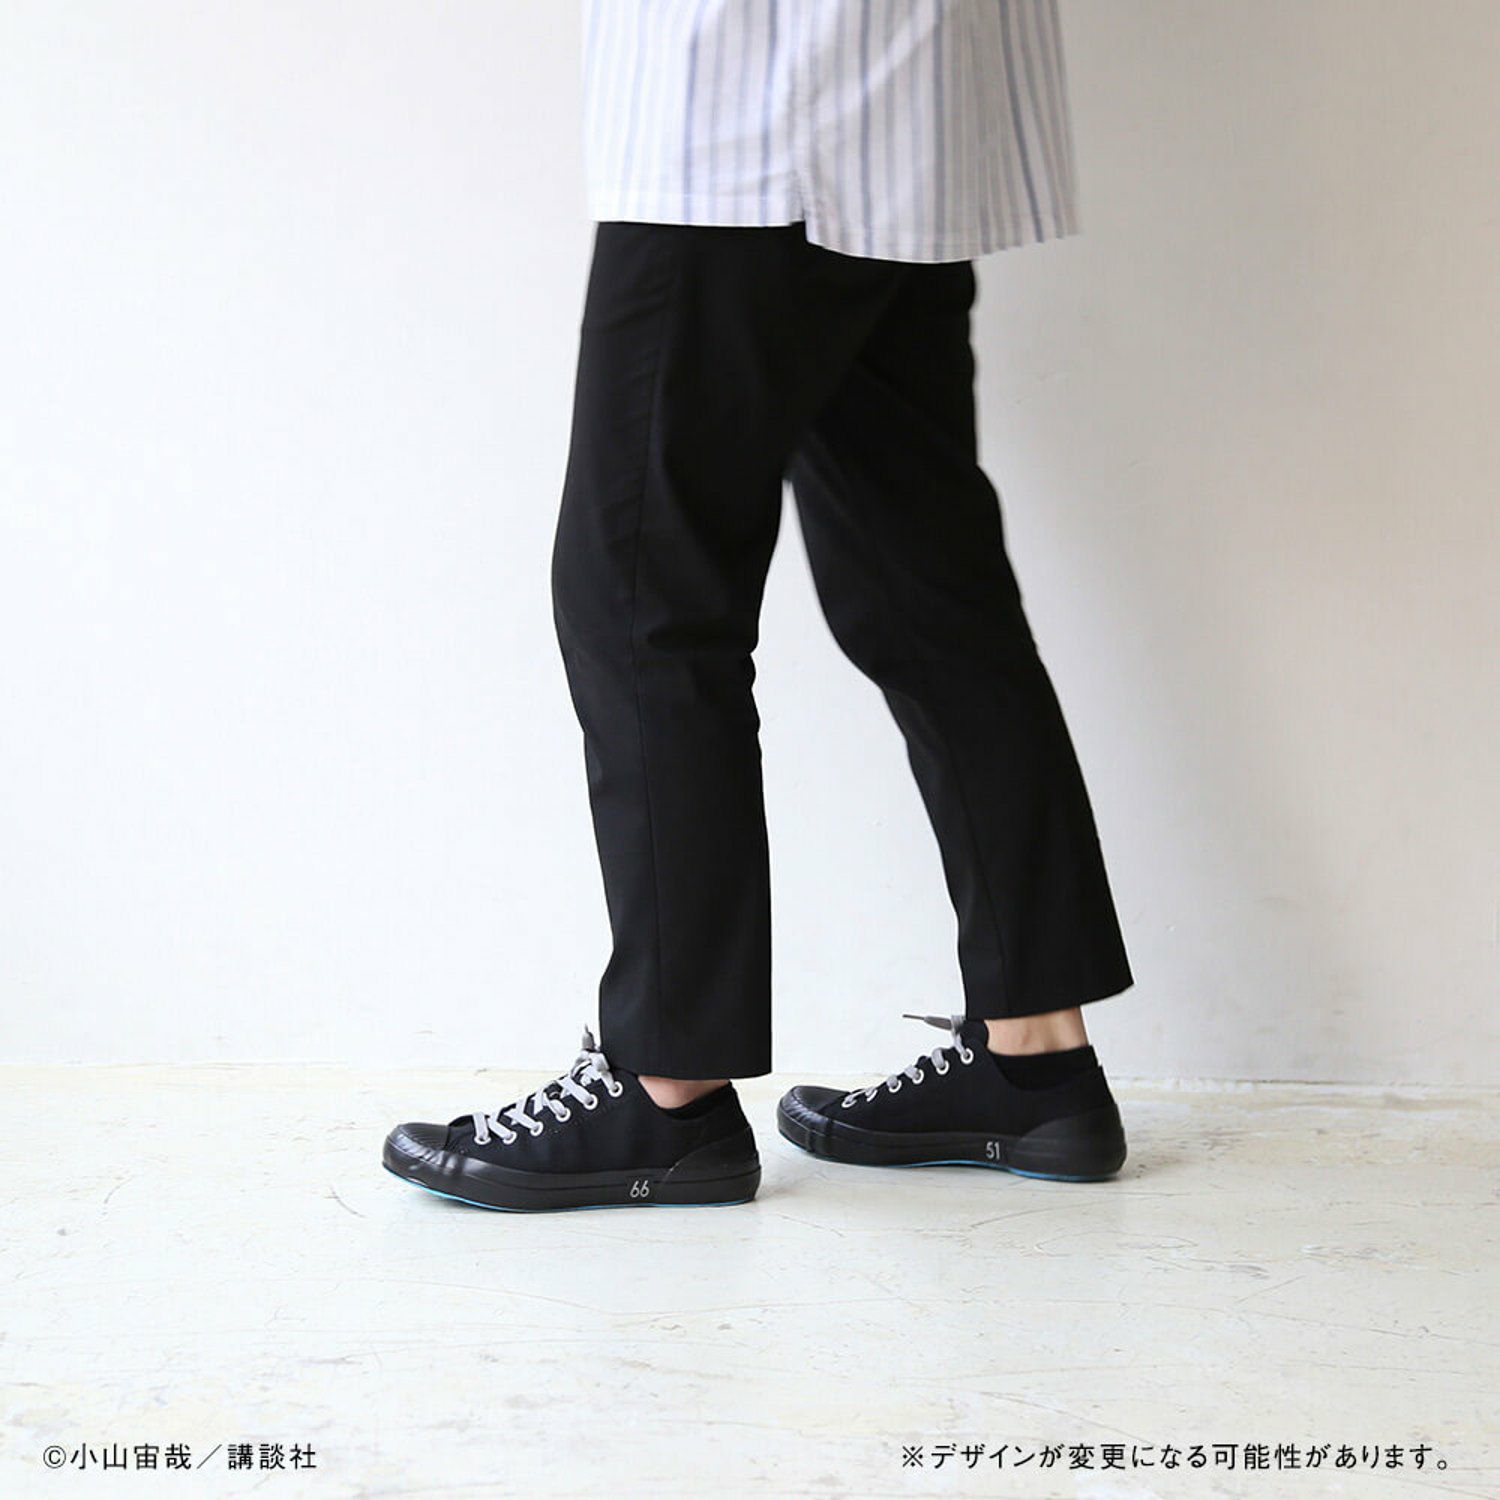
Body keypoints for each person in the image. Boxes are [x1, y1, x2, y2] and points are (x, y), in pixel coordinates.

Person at [384, 0, 1133, 1212]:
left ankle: (667, 1089)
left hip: (752, 111)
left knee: (643, 596)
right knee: (927, 591)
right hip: (913, 110)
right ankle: (1036, 1061)